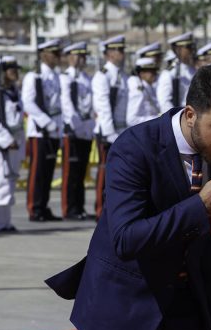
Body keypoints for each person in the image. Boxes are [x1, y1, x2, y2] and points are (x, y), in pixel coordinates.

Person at [46, 64, 211, 330]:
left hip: (188, 307)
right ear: (191, 114)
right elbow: (126, 238)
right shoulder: (134, 148)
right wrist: (200, 206)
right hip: (127, 307)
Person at [22, 38, 64, 222]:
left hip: (54, 129)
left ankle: (44, 206)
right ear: (44, 55)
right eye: (54, 54)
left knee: (48, 171)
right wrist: (46, 122)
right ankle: (34, 207)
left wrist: (58, 128)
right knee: (37, 172)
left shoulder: (55, 76)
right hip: (40, 131)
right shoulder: (34, 76)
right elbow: (28, 103)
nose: (57, 57)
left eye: (58, 54)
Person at [92, 35, 129, 219]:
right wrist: (111, 135)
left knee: (118, 174)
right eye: (118, 50)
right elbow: (103, 107)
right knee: (105, 171)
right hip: (109, 133)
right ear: (108, 53)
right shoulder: (102, 76)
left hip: (121, 131)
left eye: (122, 50)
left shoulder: (123, 76)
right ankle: (100, 208)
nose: (121, 54)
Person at [0, 56, 25, 233]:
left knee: (10, 181)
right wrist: (6, 139)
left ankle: (5, 221)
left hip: (15, 141)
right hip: (3, 143)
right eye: (10, 69)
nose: (14, 72)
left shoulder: (14, 91)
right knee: (1, 181)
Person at [59, 41, 95, 221]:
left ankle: (79, 206)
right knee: (70, 172)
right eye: (79, 56)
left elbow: (90, 105)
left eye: (84, 56)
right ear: (70, 57)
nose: (82, 59)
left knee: (81, 171)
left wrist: (88, 128)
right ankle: (69, 208)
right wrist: (79, 127)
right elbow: (67, 106)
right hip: (73, 131)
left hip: (86, 132)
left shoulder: (86, 79)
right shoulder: (65, 78)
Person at [157, 32, 196, 112]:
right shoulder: (170, 73)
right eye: (188, 47)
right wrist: (178, 119)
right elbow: (164, 102)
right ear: (178, 49)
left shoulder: (193, 71)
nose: (192, 50)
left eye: (192, 47)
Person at [127, 57, 161, 127]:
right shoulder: (138, 90)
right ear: (142, 73)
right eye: (152, 72)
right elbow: (131, 120)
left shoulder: (148, 87)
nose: (155, 74)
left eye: (155, 71)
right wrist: (157, 119)